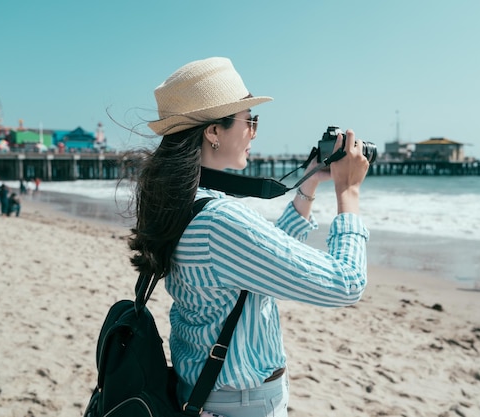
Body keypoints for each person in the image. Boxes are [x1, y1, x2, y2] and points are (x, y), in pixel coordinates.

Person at [128, 57, 370, 417]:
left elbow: (258, 268)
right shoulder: (219, 220)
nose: (254, 132)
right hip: (239, 405)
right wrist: (347, 192)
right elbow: (346, 284)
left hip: (206, 394)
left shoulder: (185, 203)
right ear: (213, 131)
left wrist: (307, 185)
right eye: (250, 121)